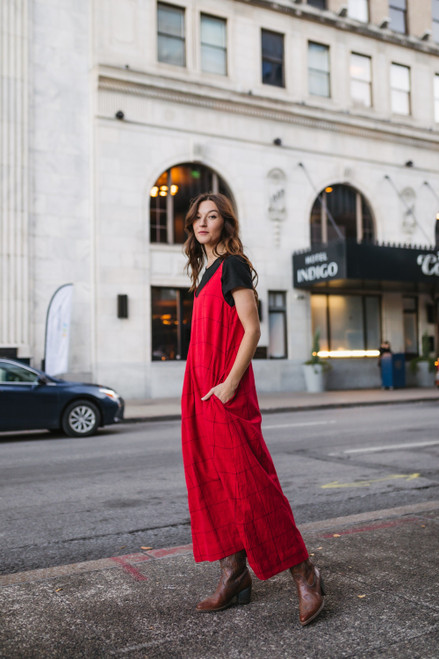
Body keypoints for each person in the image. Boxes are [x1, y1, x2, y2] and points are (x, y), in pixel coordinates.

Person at [181, 192, 325, 627]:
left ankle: (306, 574)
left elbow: (253, 329)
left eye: (212, 217)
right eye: (197, 218)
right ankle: (233, 574)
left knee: (251, 488)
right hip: (201, 393)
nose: (203, 223)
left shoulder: (232, 266)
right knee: (214, 485)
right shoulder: (204, 271)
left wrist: (228, 384)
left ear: (226, 222)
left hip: (226, 392)